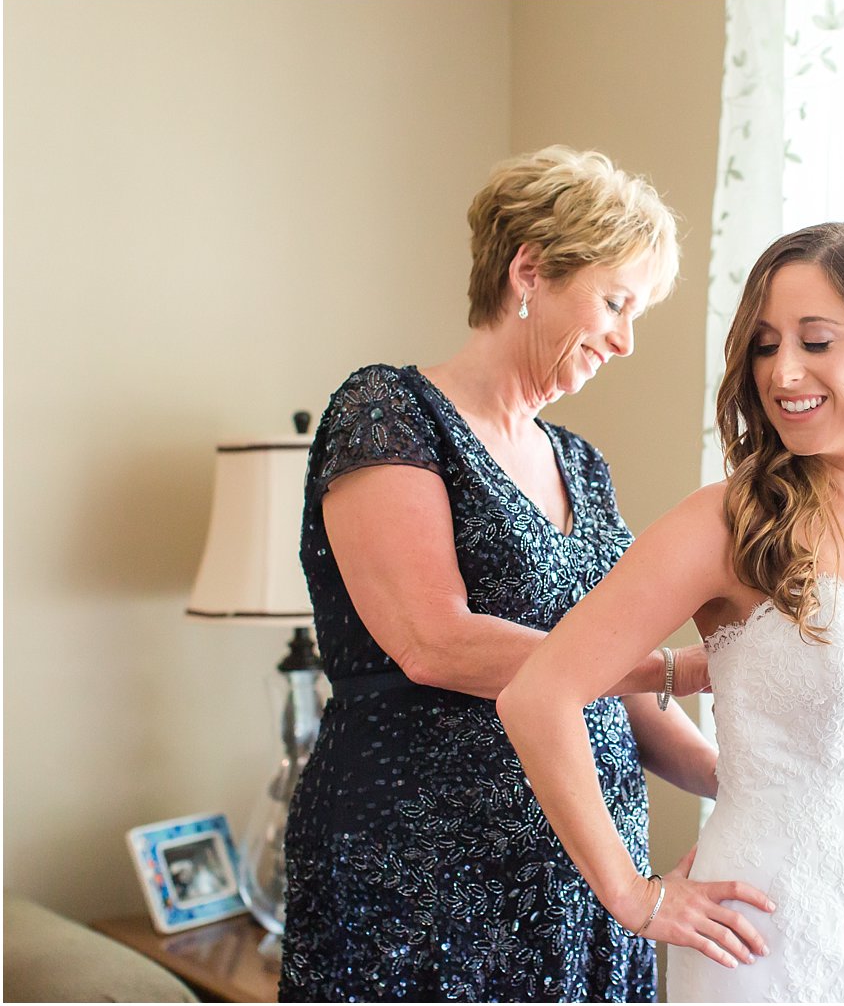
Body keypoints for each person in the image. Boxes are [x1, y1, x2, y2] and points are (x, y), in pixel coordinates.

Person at [498, 222, 844, 1001]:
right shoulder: (731, 523)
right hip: (764, 944)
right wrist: (633, 894)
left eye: (816, 341)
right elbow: (538, 695)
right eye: (766, 345)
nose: (783, 372)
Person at [280, 146, 735, 1003]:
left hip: (585, 882)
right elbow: (433, 640)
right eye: (614, 302)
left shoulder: (584, 467)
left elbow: (623, 701)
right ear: (529, 269)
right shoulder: (389, 413)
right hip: (421, 883)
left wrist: (752, 776)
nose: (625, 340)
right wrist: (671, 665)